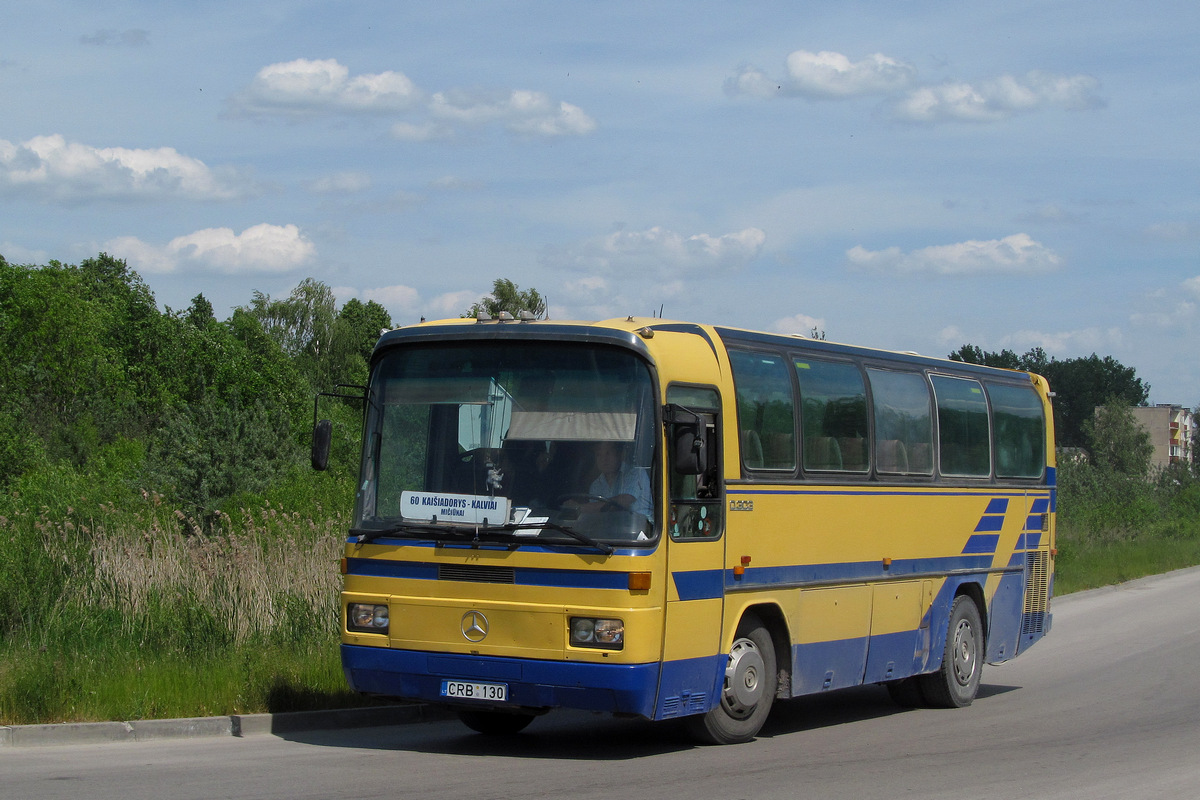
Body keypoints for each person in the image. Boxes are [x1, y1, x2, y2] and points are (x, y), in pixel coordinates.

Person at [579, 440, 652, 520]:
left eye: (608, 453)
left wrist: (579, 508)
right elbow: (596, 514)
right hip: (612, 529)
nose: (603, 459)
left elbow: (624, 501)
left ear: (620, 454)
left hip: (642, 529)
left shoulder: (636, 474)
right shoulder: (596, 485)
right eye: (598, 455)